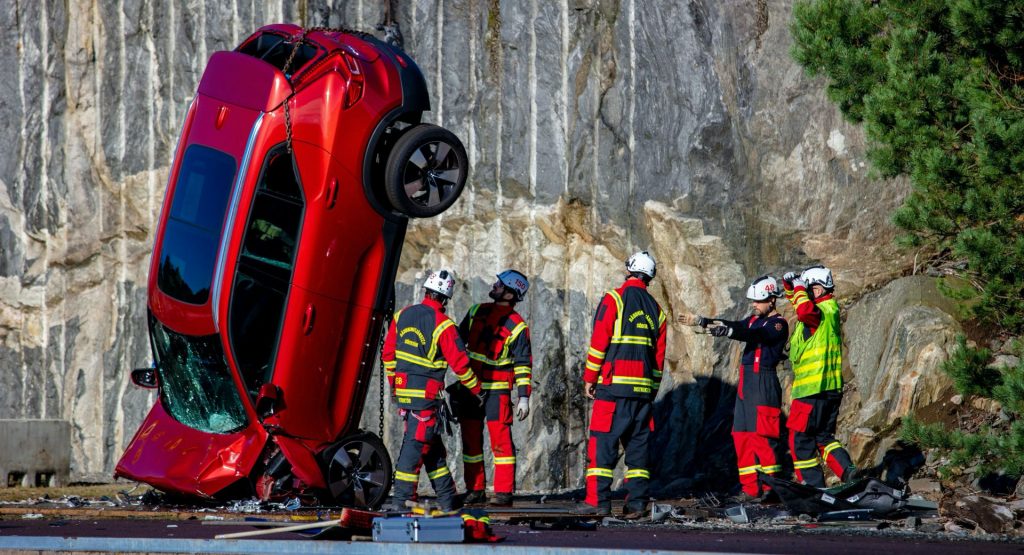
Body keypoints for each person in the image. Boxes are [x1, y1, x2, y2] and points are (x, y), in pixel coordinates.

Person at [680, 275, 788, 502]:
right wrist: (701, 321)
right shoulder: (753, 320)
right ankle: (750, 489)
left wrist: (729, 333)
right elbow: (735, 326)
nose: (754, 305)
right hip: (747, 385)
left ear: (772, 300)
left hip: (763, 383)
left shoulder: (778, 324)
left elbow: (756, 335)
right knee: (741, 436)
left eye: (758, 301)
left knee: (763, 438)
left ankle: (771, 489)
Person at [382, 269, 482, 511]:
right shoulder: (444, 325)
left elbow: (388, 355)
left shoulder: (401, 315)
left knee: (433, 452)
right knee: (413, 452)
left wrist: (397, 385)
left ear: (425, 291)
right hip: (426, 400)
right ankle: (401, 503)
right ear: (445, 299)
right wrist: (477, 390)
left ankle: (449, 501)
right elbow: (460, 365)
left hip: (406, 398)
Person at [580, 251, 667, 518]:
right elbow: (658, 359)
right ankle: (637, 504)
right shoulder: (657, 310)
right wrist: (650, 391)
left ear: (629, 269)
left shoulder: (614, 299)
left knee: (602, 445)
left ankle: (597, 502)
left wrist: (589, 378)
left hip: (613, 389)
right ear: (649, 277)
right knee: (638, 451)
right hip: (642, 394)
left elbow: (599, 343)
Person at [457, 270, 533, 507]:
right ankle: (475, 489)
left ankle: (503, 493)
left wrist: (523, 397)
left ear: (510, 294)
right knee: (471, 443)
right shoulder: (475, 311)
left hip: (497, 392)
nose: (494, 285)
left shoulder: (518, 326)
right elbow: (456, 344)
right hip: (470, 388)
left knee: (501, 443)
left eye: (500, 284)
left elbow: (523, 364)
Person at [782, 265, 857, 488]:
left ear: (817, 289)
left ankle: (812, 488)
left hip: (811, 391)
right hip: (829, 390)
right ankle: (849, 473)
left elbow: (804, 310)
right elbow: (800, 303)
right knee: (824, 438)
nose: (803, 294)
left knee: (800, 441)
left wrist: (797, 286)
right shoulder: (827, 309)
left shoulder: (818, 312)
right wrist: (790, 286)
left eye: (808, 289)